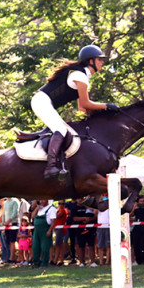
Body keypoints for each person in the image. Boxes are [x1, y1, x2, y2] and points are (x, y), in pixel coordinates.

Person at [31, 44, 118, 179]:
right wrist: (106, 106)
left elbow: (82, 108)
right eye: (99, 59)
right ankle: (50, 166)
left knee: (69, 131)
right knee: (61, 130)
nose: (102, 62)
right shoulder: (80, 76)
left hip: (45, 103)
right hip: (41, 102)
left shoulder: (82, 76)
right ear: (91, 61)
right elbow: (85, 103)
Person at [31, 200, 53, 267]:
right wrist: (36, 209)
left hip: (45, 230)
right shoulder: (39, 209)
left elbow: (53, 221)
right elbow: (32, 217)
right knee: (35, 247)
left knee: (45, 247)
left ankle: (44, 263)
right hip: (37, 230)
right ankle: (36, 263)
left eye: (42, 200)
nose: (41, 201)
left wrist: (49, 231)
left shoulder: (51, 208)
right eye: (40, 200)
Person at [2, 197, 21, 264]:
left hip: (14, 222)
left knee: (13, 241)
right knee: (9, 241)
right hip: (7, 224)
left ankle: (12, 258)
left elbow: (15, 212)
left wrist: (9, 220)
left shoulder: (15, 201)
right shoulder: (5, 202)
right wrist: (3, 222)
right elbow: (4, 213)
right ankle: (12, 256)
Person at [53, 200, 69, 266]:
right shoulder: (59, 210)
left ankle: (56, 260)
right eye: (59, 203)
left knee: (58, 245)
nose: (60, 205)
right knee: (60, 245)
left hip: (60, 229)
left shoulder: (63, 210)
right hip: (57, 228)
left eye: (62, 204)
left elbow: (56, 216)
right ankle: (61, 260)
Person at [97, 194, 111, 266]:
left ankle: (107, 261)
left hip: (109, 226)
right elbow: (94, 212)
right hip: (100, 227)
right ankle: (101, 262)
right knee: (100, 245)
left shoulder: (111, 205)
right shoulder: (99, 206)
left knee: (108, 245)